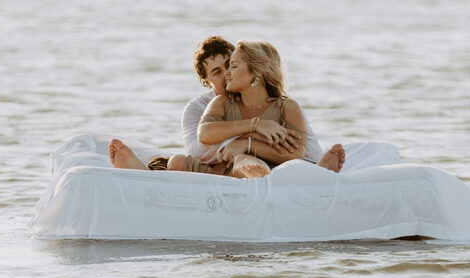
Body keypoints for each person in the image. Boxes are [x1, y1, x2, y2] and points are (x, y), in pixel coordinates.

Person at [109, 37, 345, 177]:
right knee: (176, 161)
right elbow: (202, 145)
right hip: (223, 166)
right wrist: (253, 129)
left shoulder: (285, 104)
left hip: (272, 163)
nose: (226, 75)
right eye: (217, 72)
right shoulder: (209, 105)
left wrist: (247, 144)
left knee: (271, 166)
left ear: (253, 73)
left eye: (231, 66)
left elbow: (299, 151)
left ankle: (319, 175)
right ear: (206, 82)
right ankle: (142, 175)